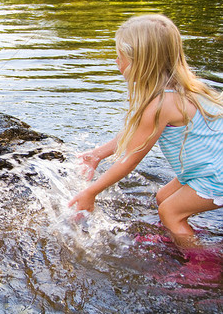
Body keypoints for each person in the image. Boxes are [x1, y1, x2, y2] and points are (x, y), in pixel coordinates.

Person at [68, 14, 223, 248]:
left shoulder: (160, 105)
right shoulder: (181, 88)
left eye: (121, 57)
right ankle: (179, 235)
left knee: (170, 211)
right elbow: (135, 132)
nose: (116, 62)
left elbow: (130, 159)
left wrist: (92, 192)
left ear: (141, 63)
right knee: (163, 198)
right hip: (208, 167)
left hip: (215, 176)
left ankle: (203, 267)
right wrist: (99, 154)